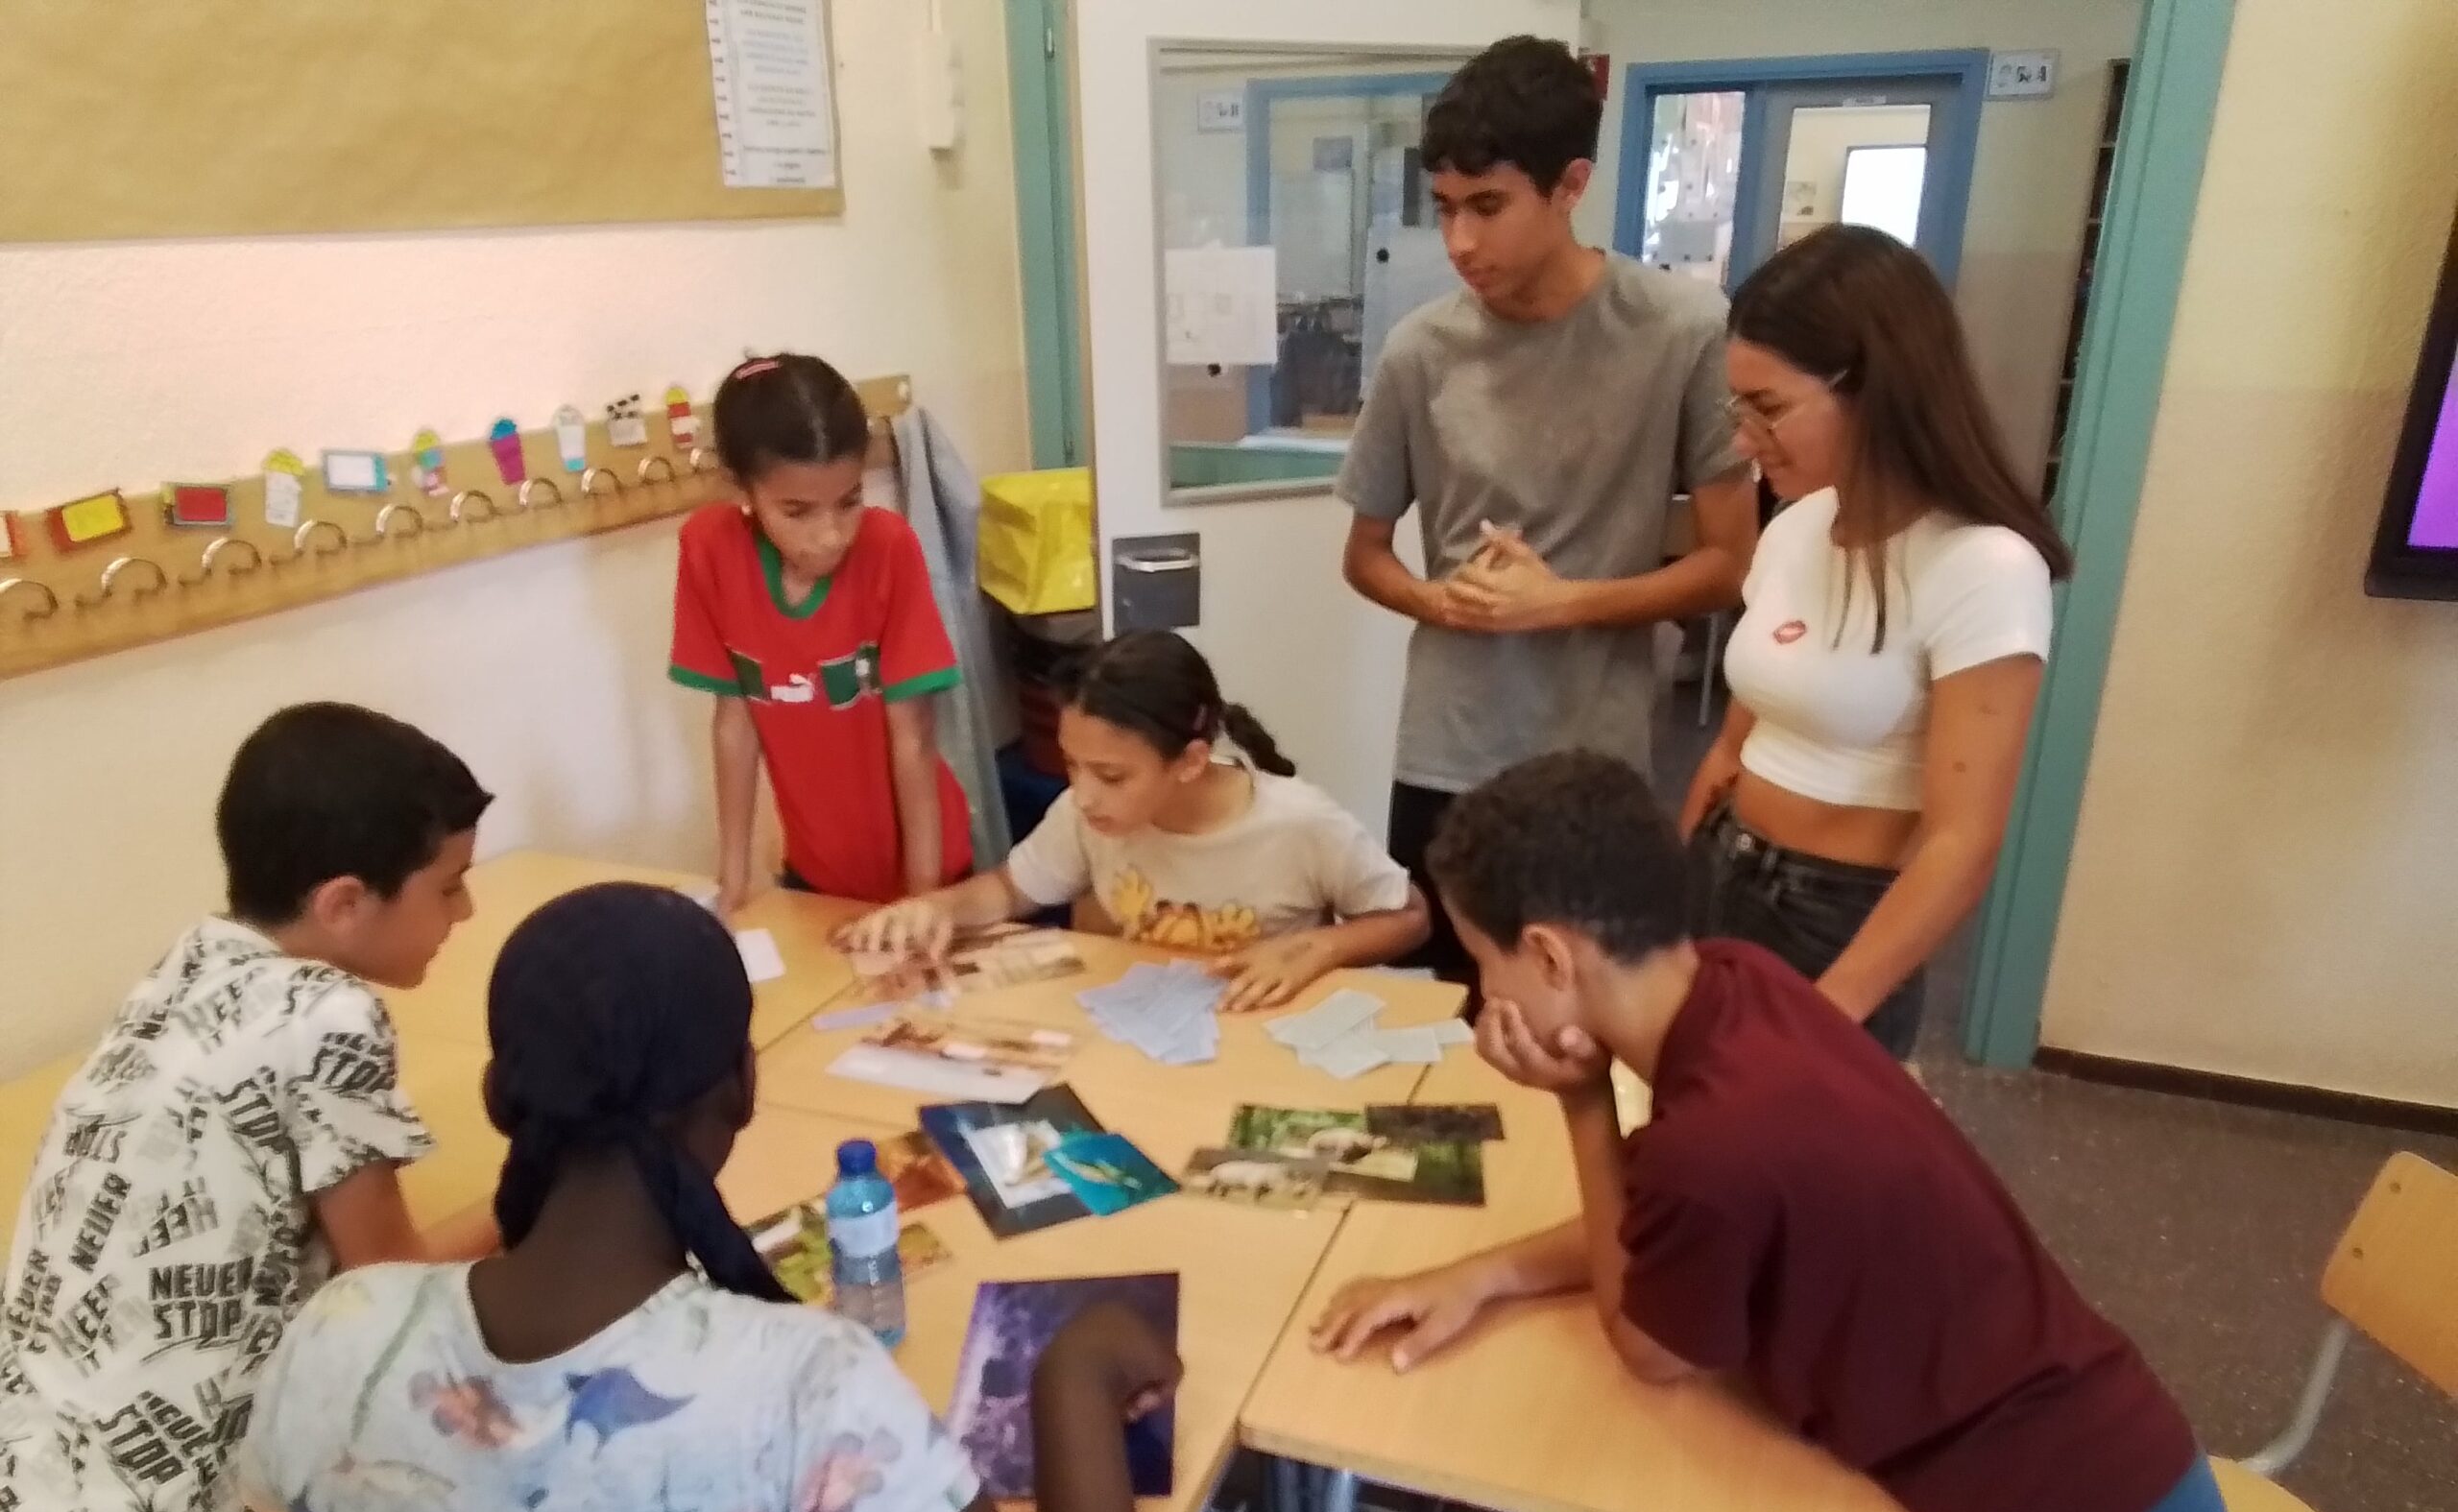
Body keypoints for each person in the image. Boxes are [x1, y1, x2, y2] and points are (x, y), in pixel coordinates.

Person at [1313, 752, 2229, 1512]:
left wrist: (1581, 1107)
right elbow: (1669, 1228)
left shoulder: (1715, 1142)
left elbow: (1649, 1343)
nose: (1485, 995)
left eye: (1482, 962)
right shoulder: (1738, 983)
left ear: (1551, 955)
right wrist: (1485, 1273)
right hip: (1981, 1484)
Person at [240, 882, 1230, 1512]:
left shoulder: (335, 1334)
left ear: (500, 1096)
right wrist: (1073, 1383)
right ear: (741, 1089)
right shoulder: (802, 1387)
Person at [0, 702, 494, 1512]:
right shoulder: (330, 1017)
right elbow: (390, 1306)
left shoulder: (193, 967)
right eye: (450, 886)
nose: (464, 913)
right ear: (343, 902)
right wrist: (540, 1210)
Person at [1337, 35, 1759, 987]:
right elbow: (1365, 555)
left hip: (1594, 756)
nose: (1460, 242)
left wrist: (1560, 603)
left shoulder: (1682, 330)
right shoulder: (1419, 349)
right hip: (1447, 748)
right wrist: (1439, 600)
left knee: (1582, 1014)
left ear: (1570, 186)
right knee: (1443, 1012)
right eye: (1445, 207)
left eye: (1488, 207)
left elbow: (1730, 564)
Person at [1681, 225, 2074, 1057]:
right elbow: (1735, 741)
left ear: (1875, 387)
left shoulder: (1983, 565)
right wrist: (1674, 896)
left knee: (1798, 1126)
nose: (1743, 441)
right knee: (1694, 1108)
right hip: (1726, 871)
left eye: (1769, 409)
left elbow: (1963, 840)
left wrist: (1834, 1010)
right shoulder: (1797, 527)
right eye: (1736, 407)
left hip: (1835, 918)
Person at [843, 632, 1430, 1011]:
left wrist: (1315, 949)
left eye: (1111, 775)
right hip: (1152, 1028)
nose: (1083, 794)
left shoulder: (1301, 823)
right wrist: (937, 908)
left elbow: (1410, 916)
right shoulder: (1085, 814)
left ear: (1190, 762)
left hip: (1260, 1032)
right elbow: (1009, 889)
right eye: (1072, 765)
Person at [671, 352, 972, 911]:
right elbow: (735, 722)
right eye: (798, 512)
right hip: (816, 870)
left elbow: (913, 738)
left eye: (850, 500)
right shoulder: (709, 550)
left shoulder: (888, 550)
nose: (831, 534)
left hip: (925, 864)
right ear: (742, 489)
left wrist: (923, 901)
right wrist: (732, 880)